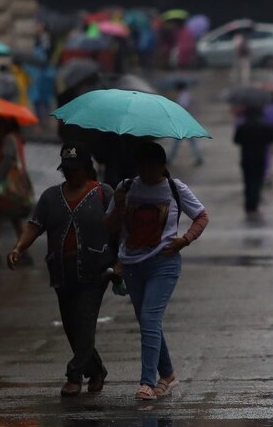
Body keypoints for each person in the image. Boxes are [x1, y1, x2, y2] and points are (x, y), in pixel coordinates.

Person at [6, 143, 115, 396]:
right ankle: (96, 370)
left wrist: (121, 262)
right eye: (67, 168)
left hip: (95, 271)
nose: (71, 173)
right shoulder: (50, 197)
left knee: (85, 323)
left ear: (86, 168)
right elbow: (34, 225)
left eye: (75, 168)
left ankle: (74, 375)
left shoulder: (103, 193)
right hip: (62, 271)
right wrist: (18, 248)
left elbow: (120, 227)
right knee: (72, 326)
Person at [105, 142, 209, 400]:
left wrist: (185, 240)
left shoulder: (175, 188)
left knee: (150, 318)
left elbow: (201, 216)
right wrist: (119, 205)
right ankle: (168, 376)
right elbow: (109, 226)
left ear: (163, 166)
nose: (147, 172)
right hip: (132, 264)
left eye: (152, 166)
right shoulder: (125, 188)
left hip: (164, 263)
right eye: (142, 166)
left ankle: (147, 382)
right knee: (146, 321)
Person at [233, 107, 273, 220]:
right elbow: (272, 138)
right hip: (260, 157)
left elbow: (236, 140)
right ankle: (254, 205)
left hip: (246, 157)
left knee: (248, 181)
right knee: (257, 181)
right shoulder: (265, 125)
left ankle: (249, 204)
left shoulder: (243, 126)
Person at [0, 118, 30, 258]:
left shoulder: (8, 139)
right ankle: (23, 252)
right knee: (11, 219)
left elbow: (7, 160)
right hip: (15, 185)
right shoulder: (15, 138)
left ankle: (23, 252)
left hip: (8, 186)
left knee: (5, 217)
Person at [167, 82, 203, 166]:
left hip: (184, 123)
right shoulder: (186, 95)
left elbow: (182, 108)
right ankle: (198, 157)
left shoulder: (184, 96)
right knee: (190, 142)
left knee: (177, 142)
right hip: (187, 122)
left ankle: (170, 158)